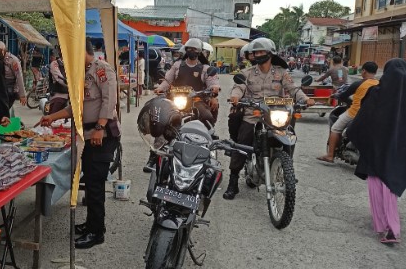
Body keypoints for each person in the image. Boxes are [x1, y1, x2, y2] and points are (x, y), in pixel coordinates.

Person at [39, 39, 120, 249]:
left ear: (83, 51)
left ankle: (96, 232)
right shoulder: (80, 74)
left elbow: (109, 100)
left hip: (101, 134)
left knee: (94, 184)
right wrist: (52, 117)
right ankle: (91, 224)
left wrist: (101, 127)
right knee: (91, 179)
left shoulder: (102, 69)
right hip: (87, 133)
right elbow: (73, 108)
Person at [225, 38, 314, 200]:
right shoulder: (248, 73)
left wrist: (305, 99)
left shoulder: (281, 73)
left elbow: (293, 89)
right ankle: (233, 180)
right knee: (243, 141)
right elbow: (239, 87)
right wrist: (235, 96)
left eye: (261, 52)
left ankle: (287, 171)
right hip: (254, 114)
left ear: (270, 53)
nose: (258, 55)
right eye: (256, 52)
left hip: (276, 114)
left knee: (290, 135)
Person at [348, 58, 406, 244]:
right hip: (398, 151)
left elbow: (362, 120)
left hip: (375, 149)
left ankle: (383, 227)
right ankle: (392, 229)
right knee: (390, 185)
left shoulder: (376, 93)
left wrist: (354, 135)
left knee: (376, 184)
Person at [316, 61, 378, 163]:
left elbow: (342, 95)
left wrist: (335, 95)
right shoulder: (379, 84)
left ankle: (330, 155)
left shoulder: (358, 83)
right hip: (372, 115)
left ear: (363, 71)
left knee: (335, 128)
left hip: (352, 108)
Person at [155, 37, 219, 123]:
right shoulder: (177, 65)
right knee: (161, 117)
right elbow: (167, 80)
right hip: (175, 99)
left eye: (194, 49)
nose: (191, 50)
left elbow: (212, 81)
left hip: (196, 100)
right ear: (186, 50)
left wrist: (214, 88)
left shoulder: (205, 68)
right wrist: (160, 88)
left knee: (206, 116)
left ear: (199, 51)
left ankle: (209, 133)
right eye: (189, 48)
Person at [0, 40, 27, 108]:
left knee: (3, 109)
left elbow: (19, 77)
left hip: (9, 89)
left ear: (2, 51)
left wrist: (22, 95)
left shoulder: (13, 61)